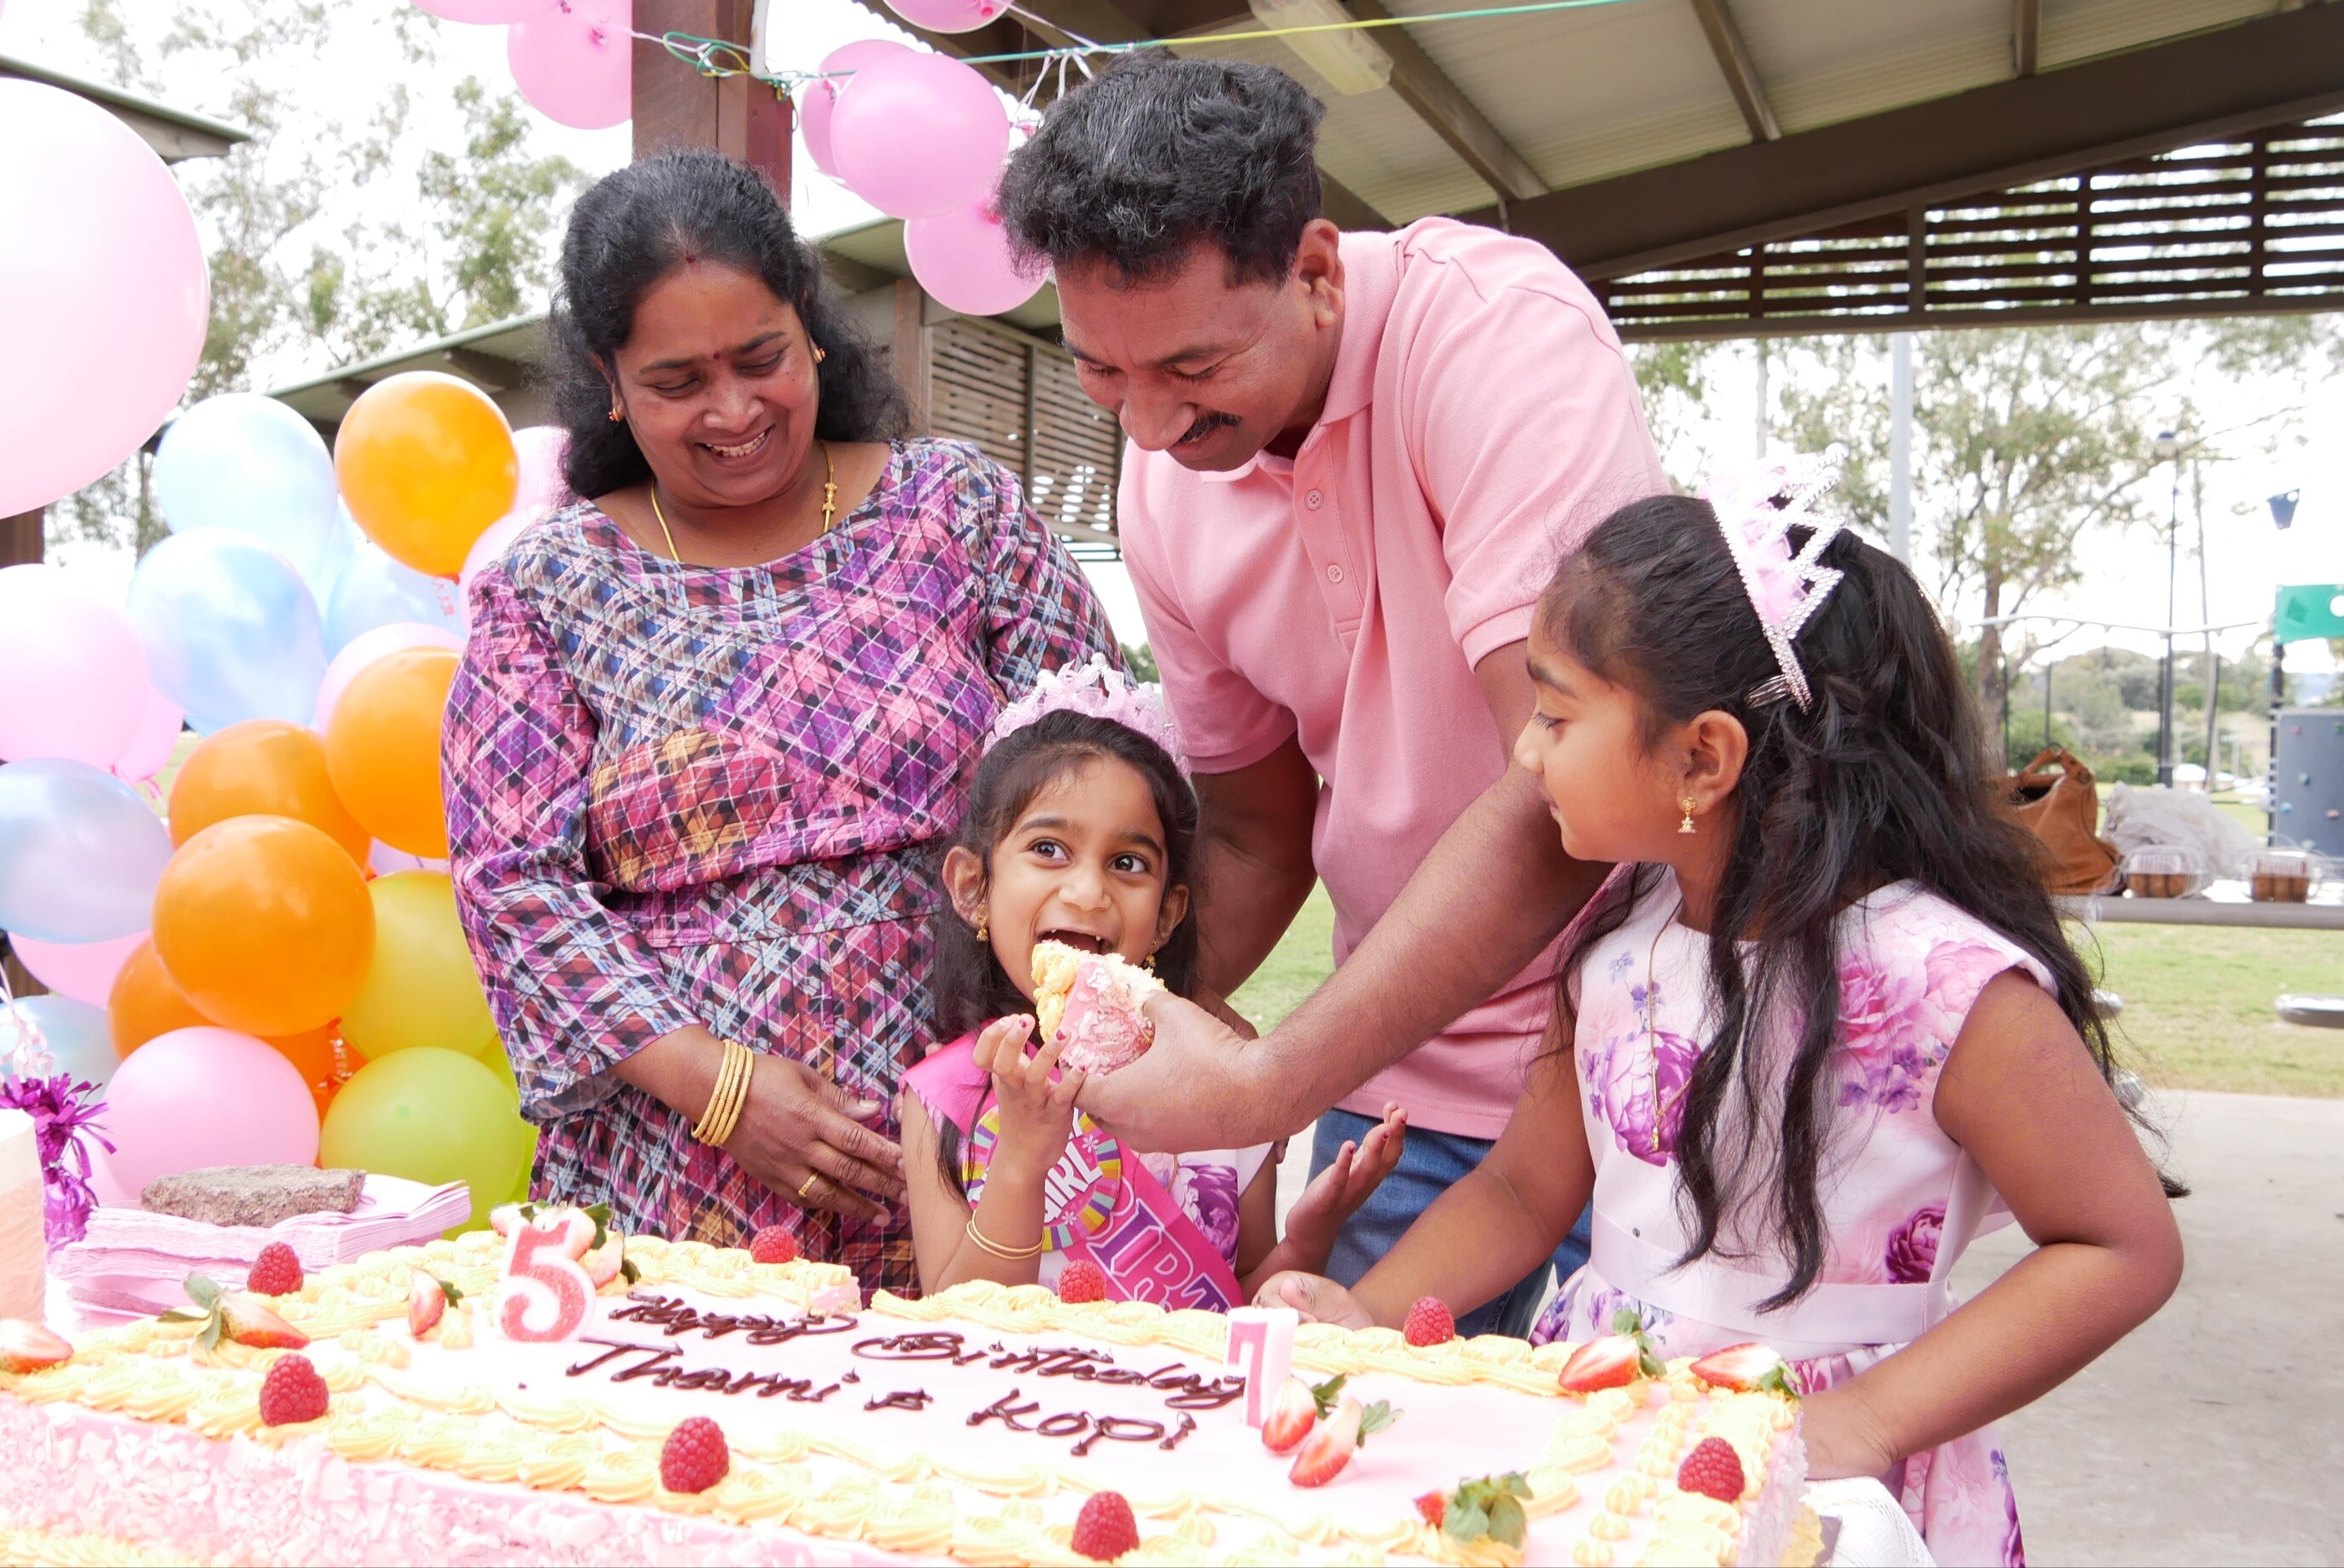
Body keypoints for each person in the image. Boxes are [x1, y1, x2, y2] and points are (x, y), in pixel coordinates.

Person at [1259, 471, 2185, 1564]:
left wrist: (1866, 1419)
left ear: (1702, 756)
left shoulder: (1947, 987)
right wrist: (1370, 1315)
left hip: (1827, 1474)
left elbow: (2120, 1245)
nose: (1526, 753)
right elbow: (1521, 1189)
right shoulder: (1620, 939)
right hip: (1603, 1431)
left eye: (1556, 714)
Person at [997, 54, 1668, 1333]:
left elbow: (1561, 786)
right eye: (1101, 373)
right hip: (1397, 1076)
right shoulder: (1163, 484)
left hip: (1633, 1061)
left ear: (1314, 272)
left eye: (1192, 367)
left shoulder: (1496, 336)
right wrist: (1106, 1019)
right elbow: (1255, 831)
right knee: (1352, 1438)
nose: (1148, 427)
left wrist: (1263, 1084)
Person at [444, 150, 1116, 1295]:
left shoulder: (960, 515)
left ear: (810, 323)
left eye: (760, 357)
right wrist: (719, 1087)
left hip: (983, 1168)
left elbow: (1105, 773)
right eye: (677, 380)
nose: (734, 409)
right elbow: (513, 884)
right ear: (610, 381)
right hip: (673, 1187)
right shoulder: (549, 588)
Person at [897, 659, 1407, 1305]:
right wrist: (1020, 1159)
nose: (1088, 891)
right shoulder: (944, 1098)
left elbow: (1240, 1299)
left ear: (1167, 914)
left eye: (1127, 862)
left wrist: (1308, 1239)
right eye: (1049, 849)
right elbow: (956, 1322)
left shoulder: (1221, 1080)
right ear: (974, 887)